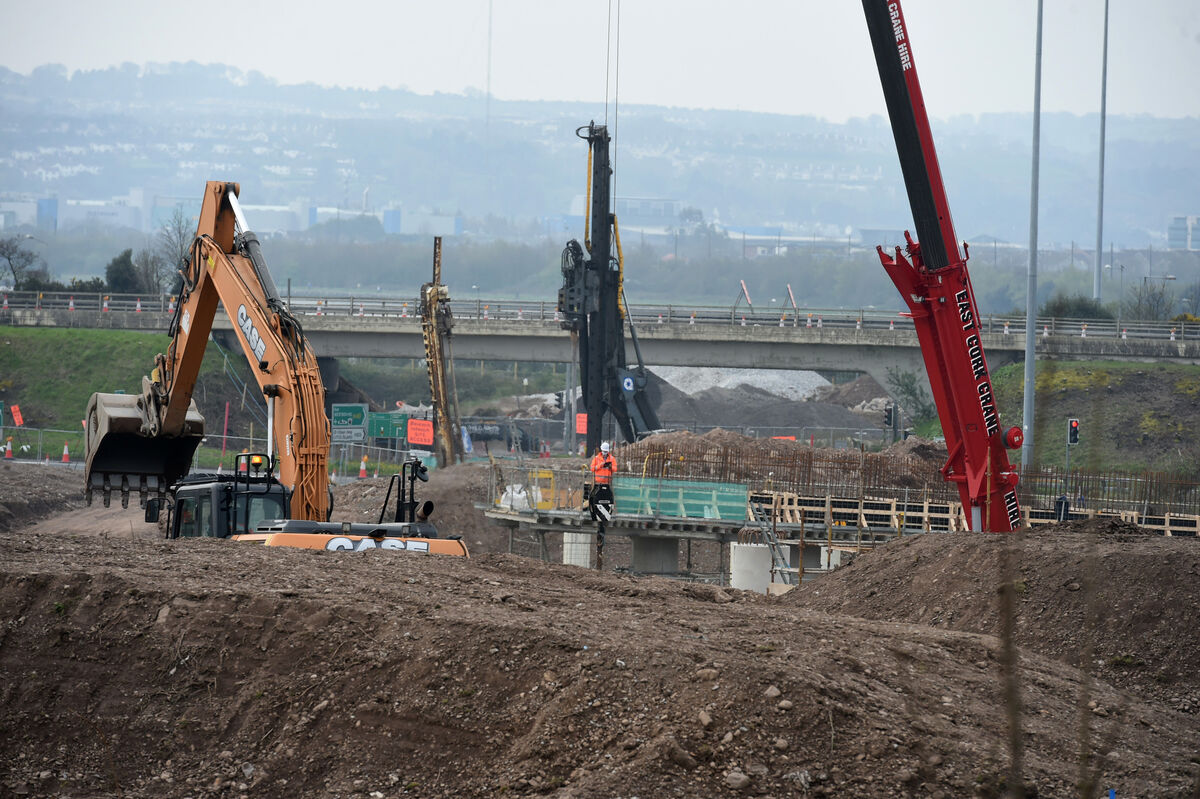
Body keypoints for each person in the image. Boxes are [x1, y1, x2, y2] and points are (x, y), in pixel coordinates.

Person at [588, 441, 617, 569]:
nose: (605, 453)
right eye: (604, 451)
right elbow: (592, 468)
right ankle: (598, 520)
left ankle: (603, 523)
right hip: (598, 483)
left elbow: (615, 469)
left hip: (607, 484)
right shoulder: (596, 458)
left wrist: (609, 466)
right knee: (595, 500)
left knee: (607, 502)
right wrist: (601, 464)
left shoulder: (612, 459)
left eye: (606, 452)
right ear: (601, 451)